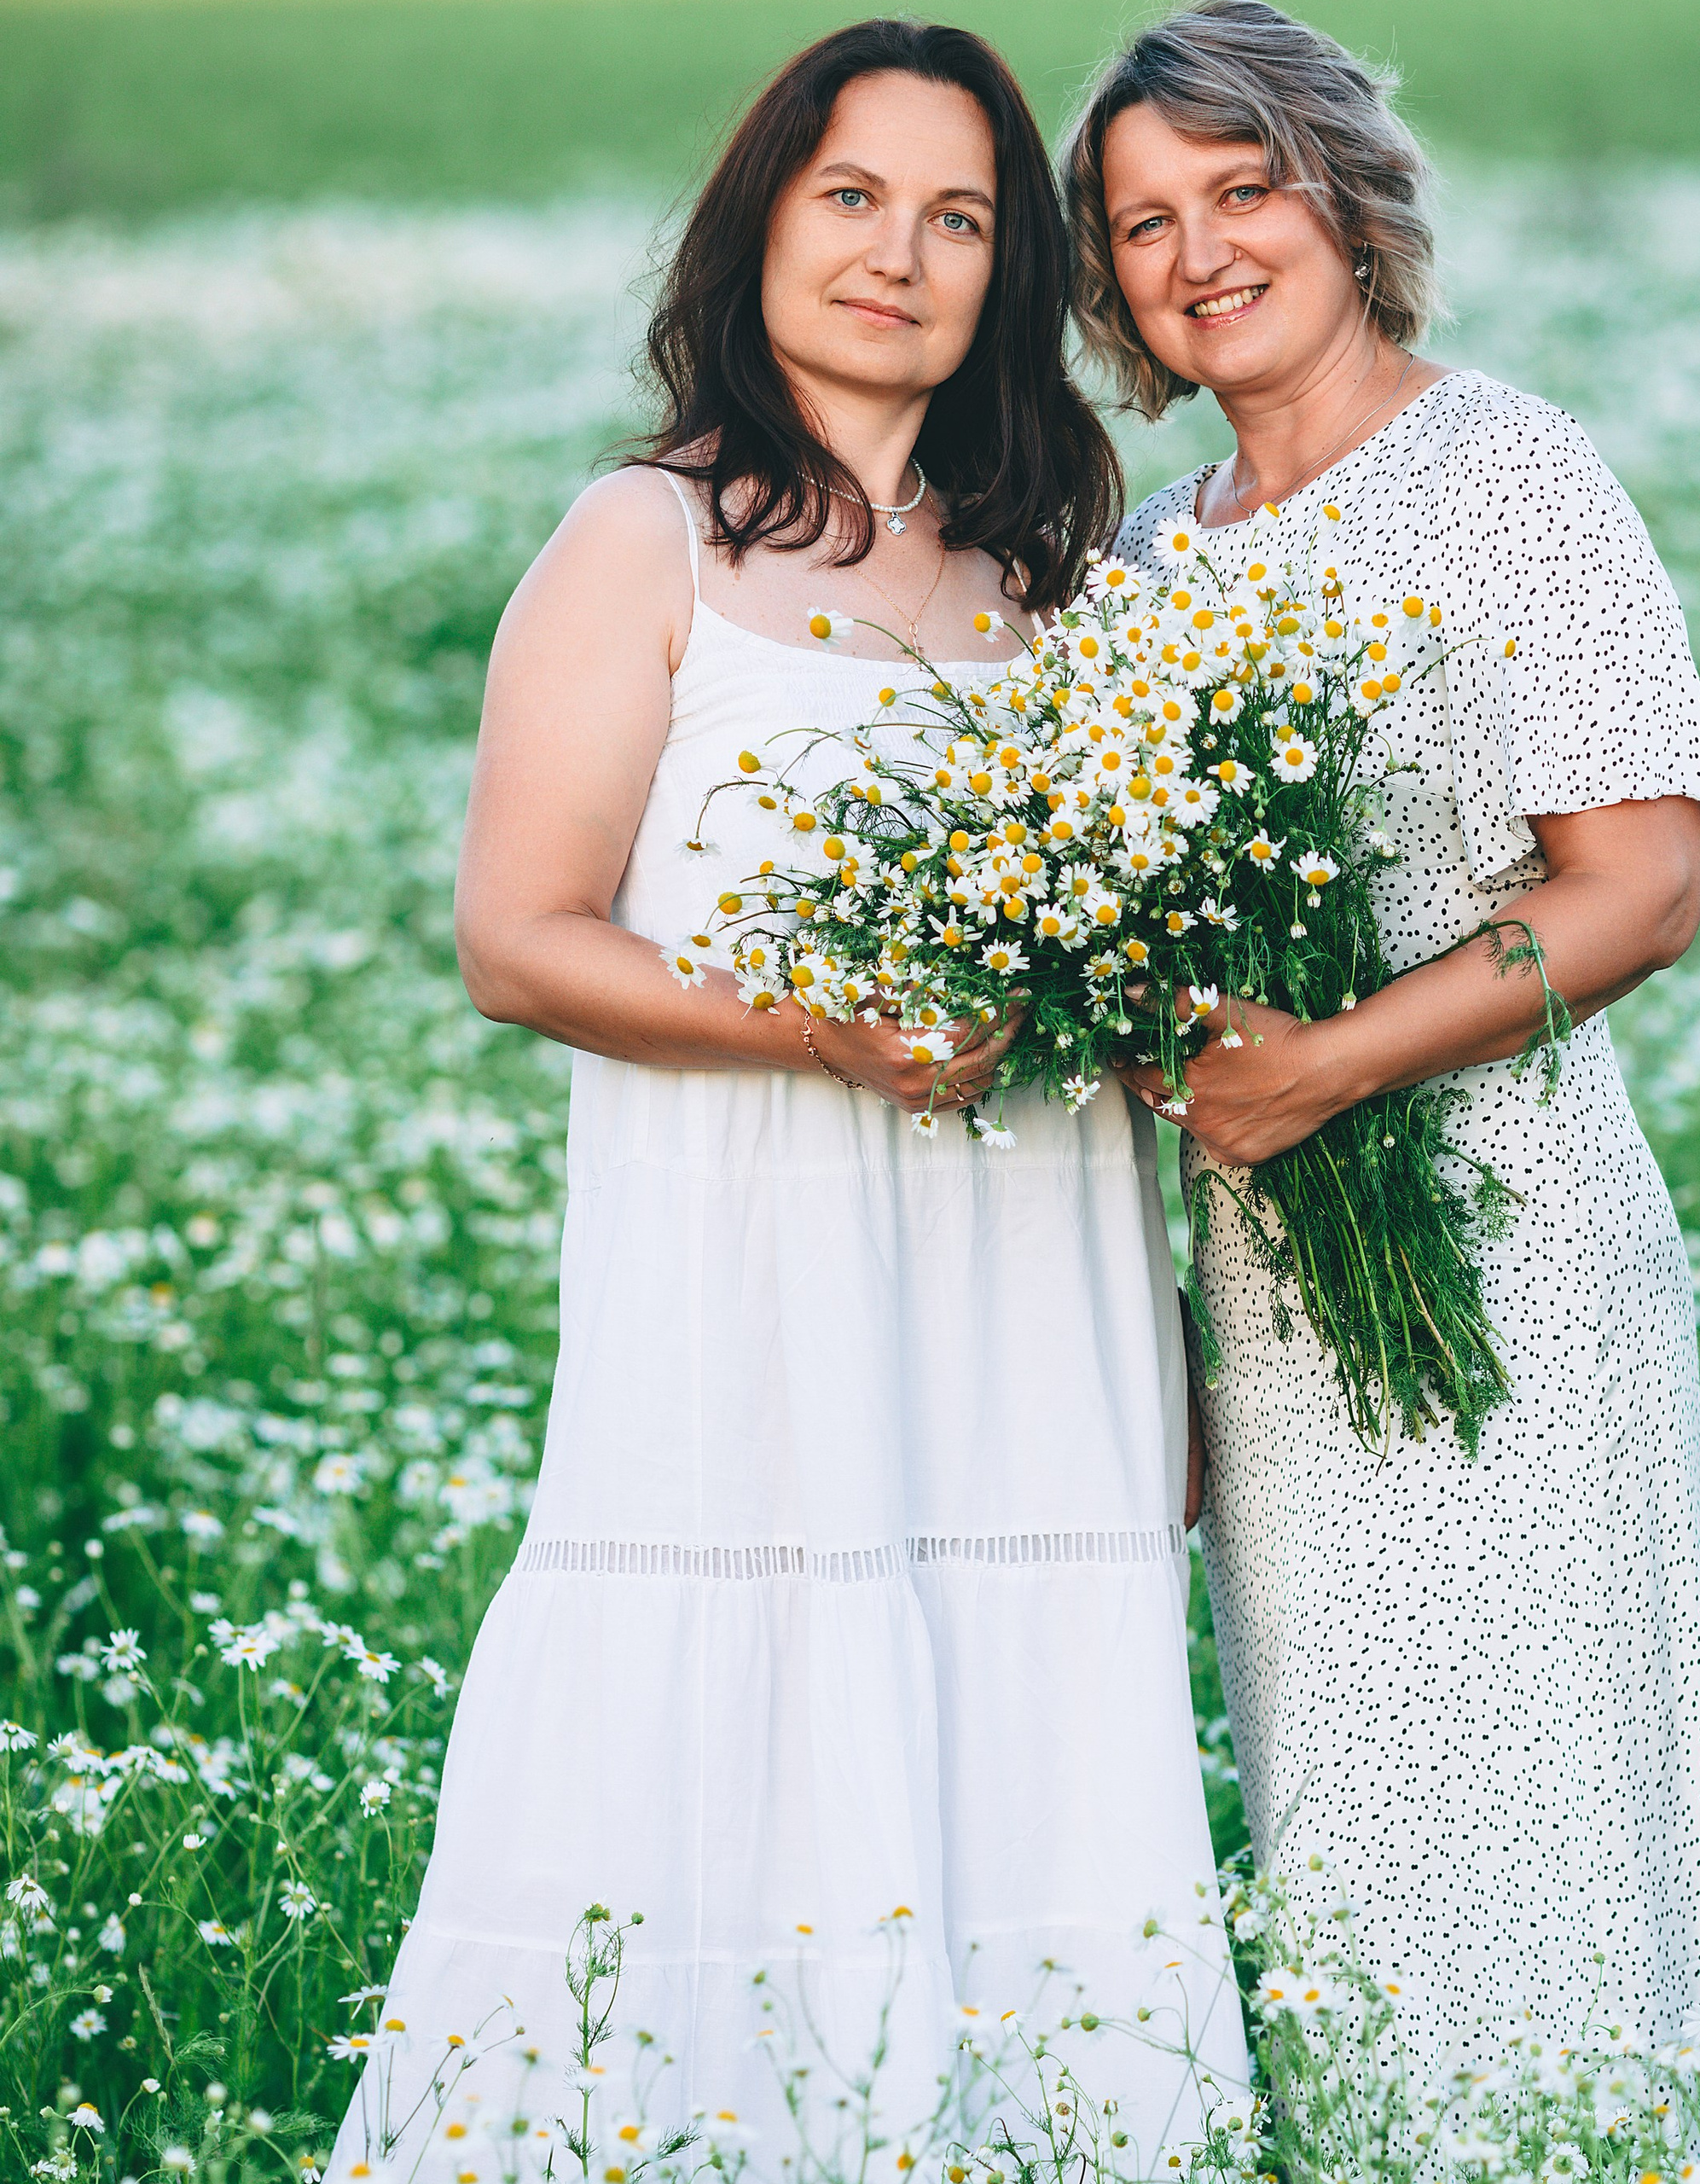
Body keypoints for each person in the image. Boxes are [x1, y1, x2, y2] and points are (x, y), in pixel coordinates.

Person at [333, 22, 1242, 2168]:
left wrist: (1189, 1325)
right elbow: (518, 934)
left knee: (1022, 1739)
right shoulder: (639, 542)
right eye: (852, 197)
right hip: (758, 1282)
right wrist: (818, 1025)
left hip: (1038, 1297)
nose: (896, 256)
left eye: (958, 219)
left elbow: (1118, 964)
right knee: (736, 1706)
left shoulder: (1058, 569)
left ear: (1006, 274)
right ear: (759, 219)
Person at [1063, 0, 1700, 2081]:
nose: (1198, 251)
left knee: (1548, 1816)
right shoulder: (1136, 562)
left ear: (1343, 193)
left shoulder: (1509, 473)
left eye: (1238, 189)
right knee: (1347, 1839)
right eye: (1138, 224)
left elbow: (1634, 883)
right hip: (1272, 1292)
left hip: (1506, 1243)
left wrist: (1329, 1063)